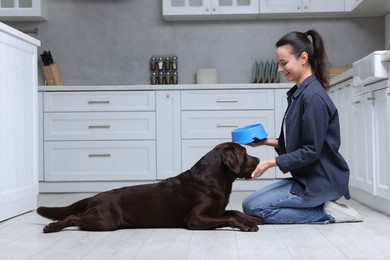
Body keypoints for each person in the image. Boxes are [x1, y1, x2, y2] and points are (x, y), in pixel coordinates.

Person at [242, 29, 363, 224]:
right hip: (307, 179)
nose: (280, 69)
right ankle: (319, 207)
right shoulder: (300, 94)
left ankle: (328, 214)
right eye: (279, 63)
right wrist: (265, 142)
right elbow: (296, 141)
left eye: (284, 63)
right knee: (248, 204)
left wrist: (269, 163)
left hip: (323, 182)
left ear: (303, 58)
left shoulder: (313, 97)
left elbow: (310, 151)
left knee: (257, 208)